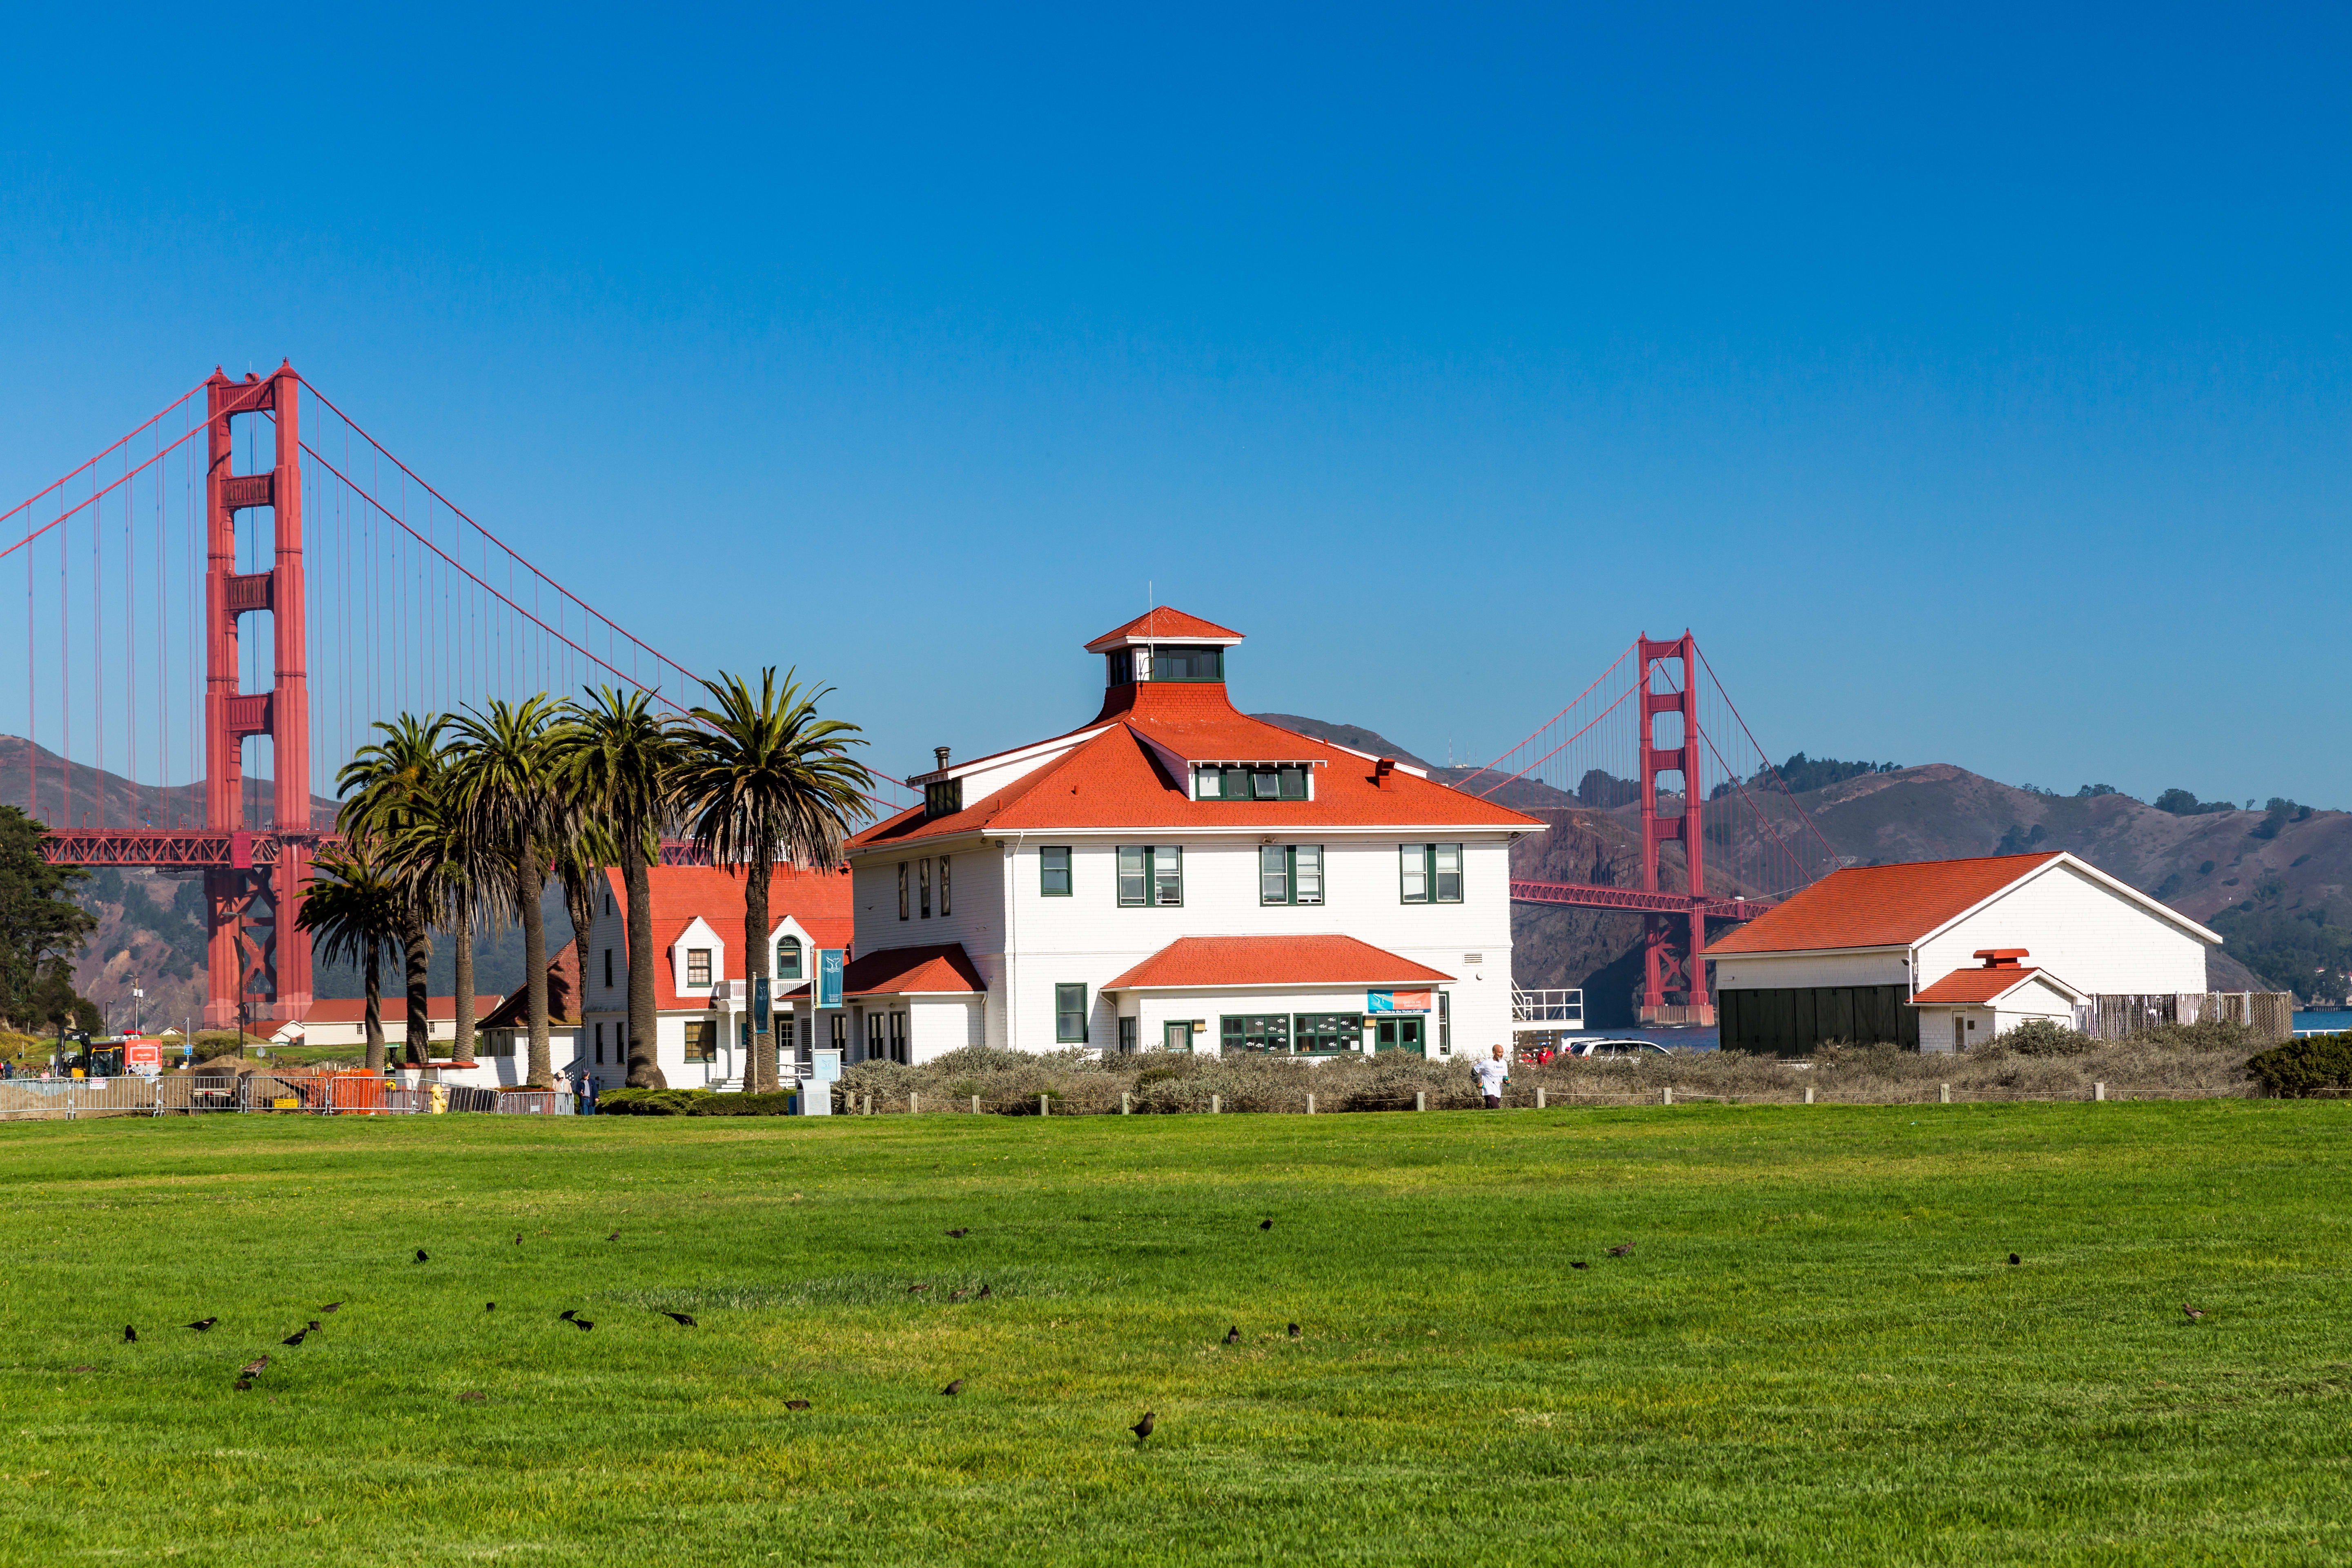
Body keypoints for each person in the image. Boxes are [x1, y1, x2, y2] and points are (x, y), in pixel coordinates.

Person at [1472, 1044, 1510, 1109]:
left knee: (1490, 1109)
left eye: (1503, 1052)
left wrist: (1507, 1081)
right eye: (1500, 1052)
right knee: (1497, 1109)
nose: (1502, 1054)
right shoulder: (1486, 1063)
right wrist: (1478, 1082)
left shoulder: (1504, 1063)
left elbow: (1504, 1076)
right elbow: (1474, 1071)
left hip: (1498, 1090)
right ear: (1494, 1053)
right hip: (1488, 1090)